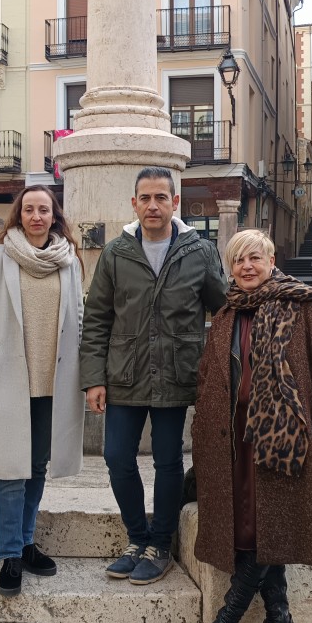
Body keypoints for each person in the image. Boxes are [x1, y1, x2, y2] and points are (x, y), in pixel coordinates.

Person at [190, 229, 312, 623]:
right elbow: (210, 374)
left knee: (269, 526)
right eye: (238, 260)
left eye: (254, 258)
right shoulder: (228, 313)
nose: (247, 267)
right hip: (234, 445)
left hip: (286, 447)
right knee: (252, 529)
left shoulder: (308, 306)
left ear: (271, 258)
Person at [80, 166, 228, 585]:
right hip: (124, 373)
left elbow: (224, 309)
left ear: (174, 202)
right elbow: (96, 320)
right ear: (134, 204)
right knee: (116, 458)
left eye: (161, 197)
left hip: (176, 374)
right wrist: (94, 378)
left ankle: (160, 544)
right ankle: (137, 537)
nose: (153, 205)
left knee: (167, 462)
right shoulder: (115, 252)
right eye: (145, 198)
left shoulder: (197, 251)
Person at [0, 186, 85, 597]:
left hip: (53, 382)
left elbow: (80, 320)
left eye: (44, 210)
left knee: (36, 466)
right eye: (29, 209)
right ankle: (10, 555)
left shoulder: (69, 262)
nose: (37, 216)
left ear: (55, 216)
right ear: (19, 215)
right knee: (10, 469)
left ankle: (28, 540)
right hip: (6, 379)